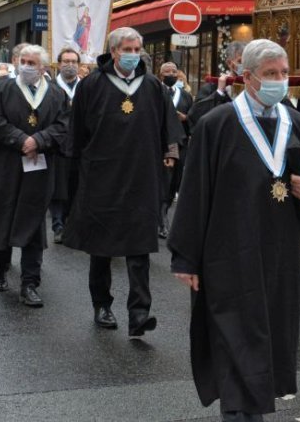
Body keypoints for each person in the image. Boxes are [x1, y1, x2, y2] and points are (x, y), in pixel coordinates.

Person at [169, 39, 300, 422]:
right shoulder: (217, 124)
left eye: (283, 73)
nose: (280, 81)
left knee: (268, 337)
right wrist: (186, 258)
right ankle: (242, 415)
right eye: (270, 75)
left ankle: (251, 412)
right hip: (227, 253)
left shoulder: (298, 124)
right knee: (233, 337)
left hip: (279, 254)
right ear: (247, 77)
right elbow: (196, 192)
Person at [64, 27, 182, 336]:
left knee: (139, 247)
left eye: (137, 49)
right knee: (101, 247)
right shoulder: (92, 85)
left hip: (142, 176)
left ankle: (139, 313)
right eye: (128, 49)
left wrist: (170, 153)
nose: (134, 54)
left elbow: (168, 127)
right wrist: (74, 176)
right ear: (114, 51)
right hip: (102, 176)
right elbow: (77, 133)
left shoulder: (154, 86)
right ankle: (102, 305)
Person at [0, 44, 68, 308]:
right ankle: (0, 269)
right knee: (3, 214)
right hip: (5, 164)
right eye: (23, 61)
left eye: (32, 62)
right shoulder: (0, 88)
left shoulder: (57, 94)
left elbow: (63, 125)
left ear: (43, 67)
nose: (27, 65)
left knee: (34, 221)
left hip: (38, 164)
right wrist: (20, 140)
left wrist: (38, 140)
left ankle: (30, 282)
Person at [49, 48, 82, 243]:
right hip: (57, 145)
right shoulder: (50, 87)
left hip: (79, 146)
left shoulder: (86, 87)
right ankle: (57, 224)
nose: (70, 65)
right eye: (66, 61)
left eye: (74, 61)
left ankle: (70, 222)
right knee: (57, 186)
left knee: (75, 186)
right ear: (59, 64)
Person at [158, 60, 193, 239]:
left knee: (176, 180)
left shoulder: (185, 96)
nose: (171, 74)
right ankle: (162, 218)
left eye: (174, 71)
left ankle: (166, 206)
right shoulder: (157, 92)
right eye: (167, 72)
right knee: (164, 179)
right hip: (163, 143)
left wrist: (185, 118)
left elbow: (193, 116)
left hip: (182, 143)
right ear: (161, 75)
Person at [188, 40, 247, 128]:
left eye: (248, 62)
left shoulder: (255, 87)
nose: (245, 65)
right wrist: (219, 93)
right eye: (240, 61)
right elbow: (195, 116)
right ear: (229, 63)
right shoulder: (212, 87)